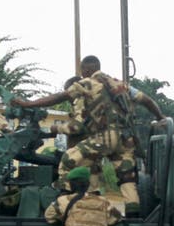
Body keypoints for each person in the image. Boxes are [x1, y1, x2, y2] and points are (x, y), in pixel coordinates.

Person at [12, 55, 165, 214]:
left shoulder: (88, 83)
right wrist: (161, 117)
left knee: (68, 159)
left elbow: (59, 97)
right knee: (127, 179)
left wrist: (28, 103)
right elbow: (147, 100)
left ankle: (63, 200)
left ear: (86, 70)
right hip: (126, 140)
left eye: (83, 71)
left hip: (105, 137)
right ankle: (133, 217)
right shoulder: (121, 85)